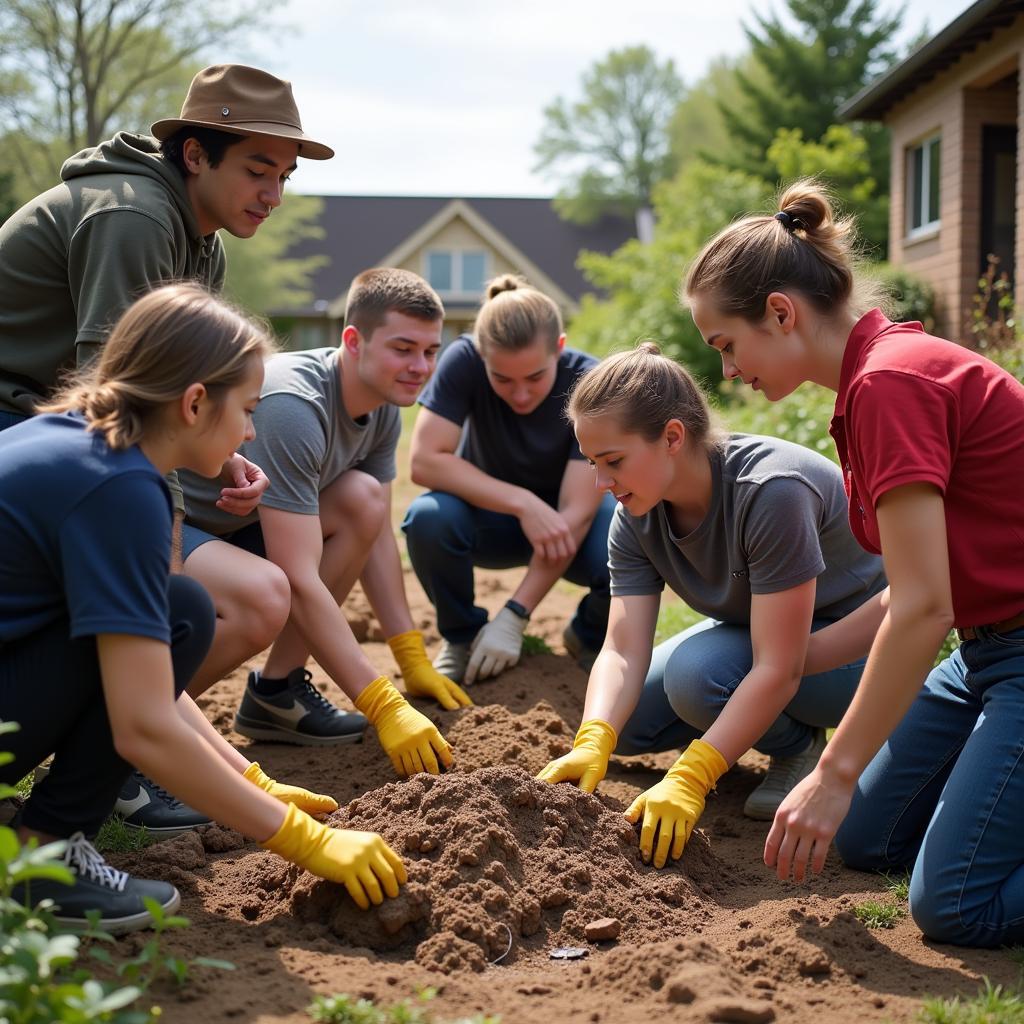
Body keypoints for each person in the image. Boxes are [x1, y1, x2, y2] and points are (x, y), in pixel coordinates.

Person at [0, 284, 406, 935]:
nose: (251, 431)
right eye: (246, 410)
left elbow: (142, 670)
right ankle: (44, 857)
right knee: (182, 606)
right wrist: (302, 838)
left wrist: (246, 776)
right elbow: (143, 723)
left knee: (174, 607)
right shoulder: (120, 491)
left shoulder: (77, 435)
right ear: (193, 404)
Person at [684, 180, 1024, 948]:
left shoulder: (888, 385)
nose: (729, 371)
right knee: (868, 839)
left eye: (725, 345)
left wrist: (834, 771)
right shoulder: (869, 382)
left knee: (955, 905)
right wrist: (789, 662)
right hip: (985, 652)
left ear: (781, 312)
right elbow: (917, 587)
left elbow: (923, 608)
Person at [0, 62, 334, 833]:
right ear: (194, 155)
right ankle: (116, 758)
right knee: (171, 603)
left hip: (66, 437)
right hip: (40, 435)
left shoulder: (200, 244)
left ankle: (117, 745)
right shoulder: (135, 217)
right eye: (257, 169)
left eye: (283, 177)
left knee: (195, 601)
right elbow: (118, 409)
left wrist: (220, 447)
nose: (273, 195)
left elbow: (172, 403)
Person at [536, 344, 886, 867]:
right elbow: (621, 648)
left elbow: (779, 666)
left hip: (853, 651)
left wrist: (694, 773)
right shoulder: (636, 514)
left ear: (672, 437)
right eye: (591, 462)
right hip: (763, 638)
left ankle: (794, 748)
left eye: (613, 461)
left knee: (696, 678)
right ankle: (751, 726)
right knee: (625, 725)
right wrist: (594, 736)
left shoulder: (770, 491)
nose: (600, 483)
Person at [180, 268, 463, 775]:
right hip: (175, 524)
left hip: (239, 530)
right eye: (403, 348)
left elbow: (372, 529)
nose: (420, 366)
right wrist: (381, 703)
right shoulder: (293, 405)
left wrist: (409, 653)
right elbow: (298, 578)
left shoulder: (383, 410)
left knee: (360, 501)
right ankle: (137, 728)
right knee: (266, 593)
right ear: (353, 341)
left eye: (430, 351)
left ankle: (277, 696)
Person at [402, 275, 614, 686]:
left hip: (568, 529)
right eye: (502, 379)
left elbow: (575, 515)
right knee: (427, 517)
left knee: (629, 542)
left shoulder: (592, 382)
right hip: (491, 521)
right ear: (482, 356)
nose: (520, 395)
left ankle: (587, 636)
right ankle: (462, 637)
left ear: (560, 348)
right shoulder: (463, 359)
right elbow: (425, 462)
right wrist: (522, 502)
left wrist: (514, 615)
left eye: (534, 377)